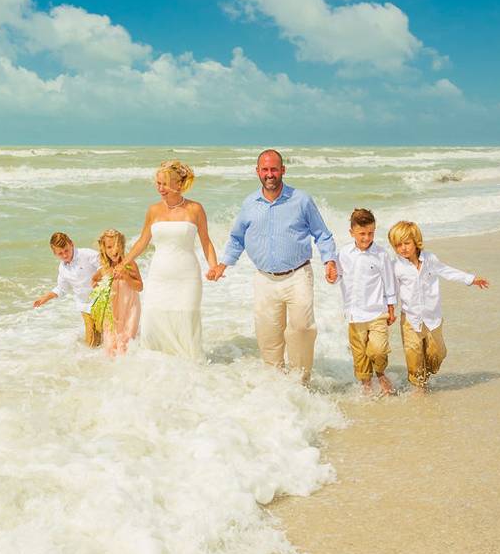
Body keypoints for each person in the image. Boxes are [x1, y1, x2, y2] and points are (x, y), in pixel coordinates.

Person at [209, 149, 338, 384]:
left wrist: (330, 261)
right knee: (268, 335)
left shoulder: (301, 200)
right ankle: (277, 384)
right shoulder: (249, 204)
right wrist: (224, 264)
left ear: (283, 170)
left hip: (298, 274)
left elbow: (322, 234)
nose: (270, 174)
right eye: (265, 169)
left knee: (301, 328)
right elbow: (237, 238)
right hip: (264, 278)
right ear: (257, 171)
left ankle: (300, 381)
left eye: (274, 169)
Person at [118, 160, 219, 360]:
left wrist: (214, 267)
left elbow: (206, 242)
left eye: (164, 184)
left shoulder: (195, 209)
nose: (160, 188)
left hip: (187, 277)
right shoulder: (153, 210)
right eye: (158, 183)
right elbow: (142, 241)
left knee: (185, 320)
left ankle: (191, 370)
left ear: (179, 185)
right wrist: (124, 262)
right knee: (154, 320)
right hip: (159, 276)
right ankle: (158, 371)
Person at [387, 220, 489, 394]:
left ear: (416, 241)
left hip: (433, 317)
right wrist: (389, 311)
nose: (402, 248)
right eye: (398, 245)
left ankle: (425, 375)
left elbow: (447, 271)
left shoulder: (430, 259)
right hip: (410, 319)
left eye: (406, 243)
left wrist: (471, 279)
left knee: (438, 353)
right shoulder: (396, 267)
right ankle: (418, 388)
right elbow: (391, 291)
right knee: (414, 355)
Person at [336, 208, 397, 396]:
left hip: (377, 312)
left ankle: (380, 373)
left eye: (370, 233)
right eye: (362, 233)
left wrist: (391, 308)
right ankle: (366, 383)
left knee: (378, 350)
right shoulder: (344, 253)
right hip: (354, 313)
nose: (366, 238)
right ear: (352, 232)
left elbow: (389, 282)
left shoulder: (381, 254)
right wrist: (331, 276)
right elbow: (337, 276)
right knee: (360, 353)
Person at [32, 232, 102, 347]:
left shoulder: (87, 254)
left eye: (66, 250)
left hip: (101, 300)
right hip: (84, 305)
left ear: (72, 244)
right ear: (55, 254)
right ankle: (92, 360)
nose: (65, 255)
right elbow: (61, 289)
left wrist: (97, 277)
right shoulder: (63, 268)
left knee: (105, 332)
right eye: (60, 253)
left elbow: (105, 266)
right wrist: (45, 298)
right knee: (92, 341)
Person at [89, 229, 142, 357]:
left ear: (122, 246)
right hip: (112, 313)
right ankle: (112, 376)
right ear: (104, 250)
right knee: (110, 348)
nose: (114, 250)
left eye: (117, 245)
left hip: (130, 309)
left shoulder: (130, 265)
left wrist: (126, 276)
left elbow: (140, 287)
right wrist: (97, 287)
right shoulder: (105, 269)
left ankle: (129, 373)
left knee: (125, 345)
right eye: (109, 247)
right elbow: (94, 280)